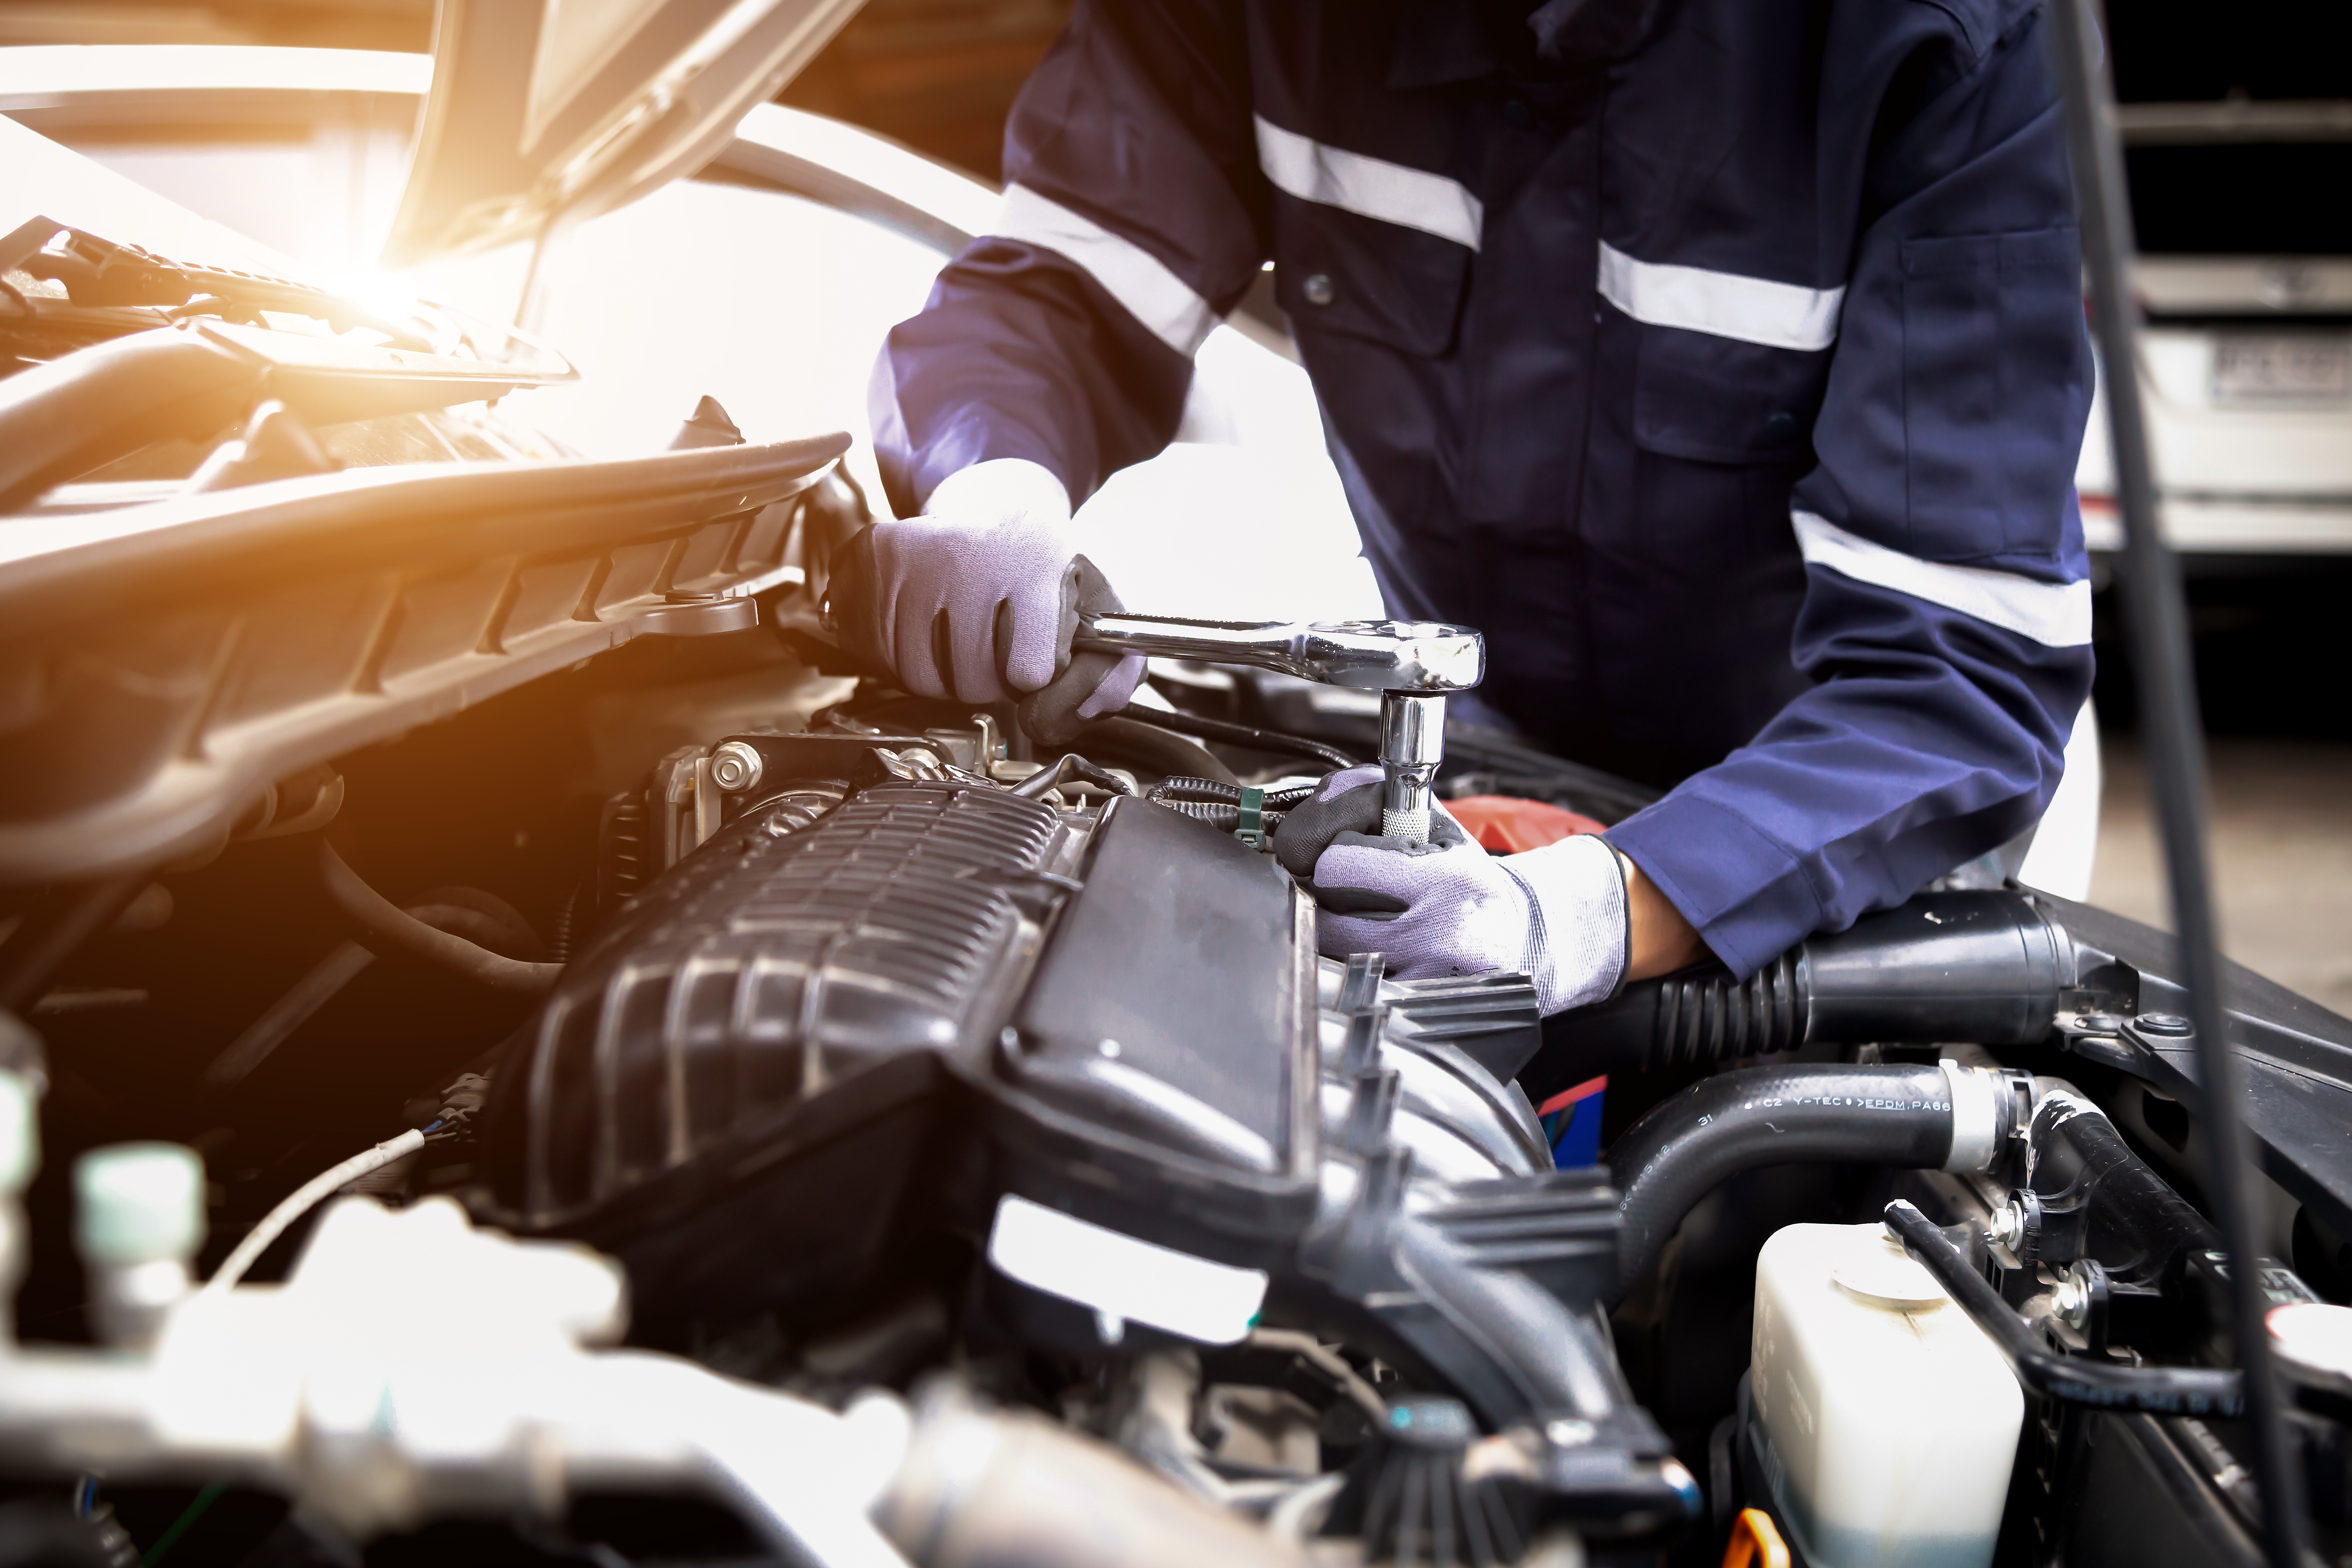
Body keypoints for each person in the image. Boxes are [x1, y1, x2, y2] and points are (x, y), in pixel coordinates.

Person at [837, 0, 2094, 1016]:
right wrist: (991, 480)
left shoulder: (1939, 38)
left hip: (1832, 830)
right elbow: (1056, 295)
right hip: (1468, 799)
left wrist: (1591, 912)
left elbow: (1955, 678)